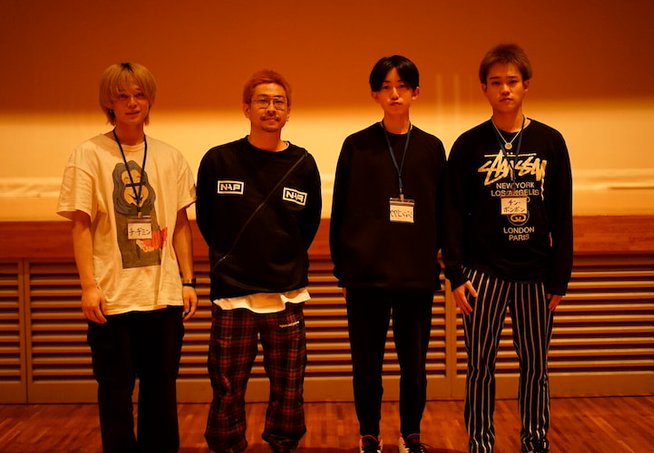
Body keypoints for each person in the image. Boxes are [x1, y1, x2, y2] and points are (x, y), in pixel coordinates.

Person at [57, 62, 199, 453]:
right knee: (115, 390)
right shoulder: (88, 154)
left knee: (161, 390)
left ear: (150, 100)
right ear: (109, 103)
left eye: (139, 94)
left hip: (162, 296)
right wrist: (89, 287)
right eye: (122, 96)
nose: (132, 102)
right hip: (112, 298)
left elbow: (181, 224)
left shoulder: (170, 156)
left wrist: (187, 281)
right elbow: (81, 226)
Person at [443, 44, 573, 453]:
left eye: (512, 81)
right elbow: (451, 214)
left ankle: (535, 442)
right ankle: (481, 444)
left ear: (526, 85)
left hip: (536, 274)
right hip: (482, 274)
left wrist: (560, 277)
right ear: (484, 88)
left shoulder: (550, 141)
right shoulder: (468, 145)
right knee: (480, 367)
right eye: (496, 82)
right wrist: (455, 275)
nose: (504, 89)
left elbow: (562, 213)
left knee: (535, 367)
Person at [196, 69, 322, 453]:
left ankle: (284, 443)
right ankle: (227, 445)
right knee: (227, 386)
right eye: (262, 101)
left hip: (286, 293)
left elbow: (308, 226)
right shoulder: (219, 160)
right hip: (232, 294)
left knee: (289, 386)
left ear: (288, 111)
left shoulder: (303, 164)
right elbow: (207, 221)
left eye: (278, 102)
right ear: (246, 108)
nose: (271, 108)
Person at [330, 55, 446, 453]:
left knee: (415, 368)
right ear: (374, 94)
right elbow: (341, 210)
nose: (394, 94)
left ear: (416, 92)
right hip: (366, 278)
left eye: (402, 86)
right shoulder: (356, 145)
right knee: (367, 367)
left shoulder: (432, 148)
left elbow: (444, 211)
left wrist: (445, 263)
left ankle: (411, 434)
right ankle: (369, 435)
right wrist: (344, 270)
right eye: (386, 87)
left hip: (416, 277)